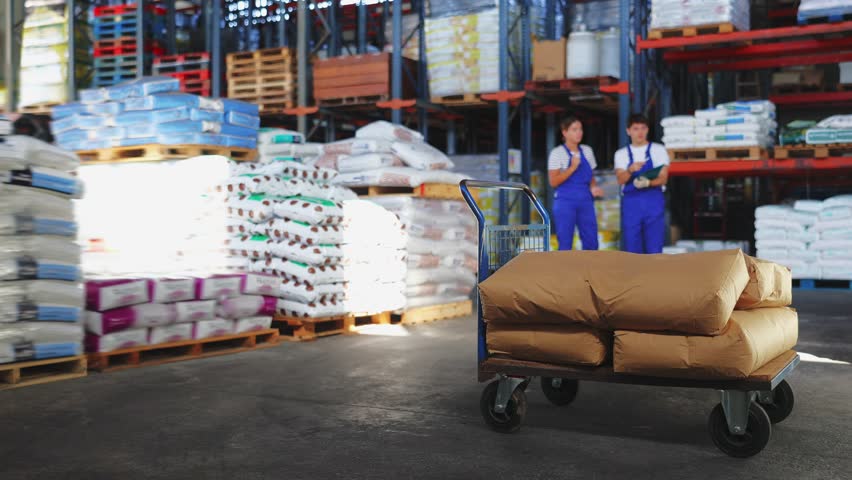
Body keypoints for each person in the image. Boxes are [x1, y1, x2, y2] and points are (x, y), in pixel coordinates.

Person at [614, 113, 670, 254]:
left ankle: (654, 270)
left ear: (648, 129)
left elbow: (663, 178)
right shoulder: (621, 154)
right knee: (632, 248)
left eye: (643, 128)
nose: (640, 132)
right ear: (628, 131)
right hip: (632, 206)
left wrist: (648, 182)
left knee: (654, 247)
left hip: (653, 203)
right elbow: (620, 179)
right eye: (635, 128)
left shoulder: (658, 150)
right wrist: (630, 170)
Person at [548, 116, 603, 251]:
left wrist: (593, 187)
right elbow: (553, 181)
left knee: (591, 241)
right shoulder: (557, 153)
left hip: (586, 200)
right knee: (565, 242)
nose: (579, 133)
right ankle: (565, 266)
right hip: (565, 202)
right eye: (574, 129)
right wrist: (572, 168)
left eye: (580, 129)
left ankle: (590, 265)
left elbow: (590, 175)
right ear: (564, 132)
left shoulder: (587, 151)